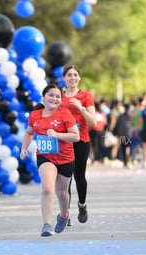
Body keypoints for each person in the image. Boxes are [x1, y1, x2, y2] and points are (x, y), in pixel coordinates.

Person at [20, 83, 80, 237]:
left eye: (58, 96)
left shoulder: (65, 114)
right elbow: (29, 132)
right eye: (51, 95)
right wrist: (24, 148)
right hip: (45, 156)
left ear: (61, 100)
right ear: (43, 97)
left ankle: (63, 215)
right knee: (47, 188)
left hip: (66, 159)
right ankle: (46, 225)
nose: (54, 98)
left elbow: (75, 136)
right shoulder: (35, 115)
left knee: (62, 193)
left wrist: (58, 135)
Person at [61, 64, 96, 225]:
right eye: (69, 75)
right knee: (64, 178)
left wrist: (81, 108)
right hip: (64, 141)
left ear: (79, 78)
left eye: (75, 75)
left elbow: (93, 122)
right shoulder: (59, 96)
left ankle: (82, 205)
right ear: (64, 78)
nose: (73, 77)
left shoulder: (86, 96)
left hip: (81, 140)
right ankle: (65, 213)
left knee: (79, 176)